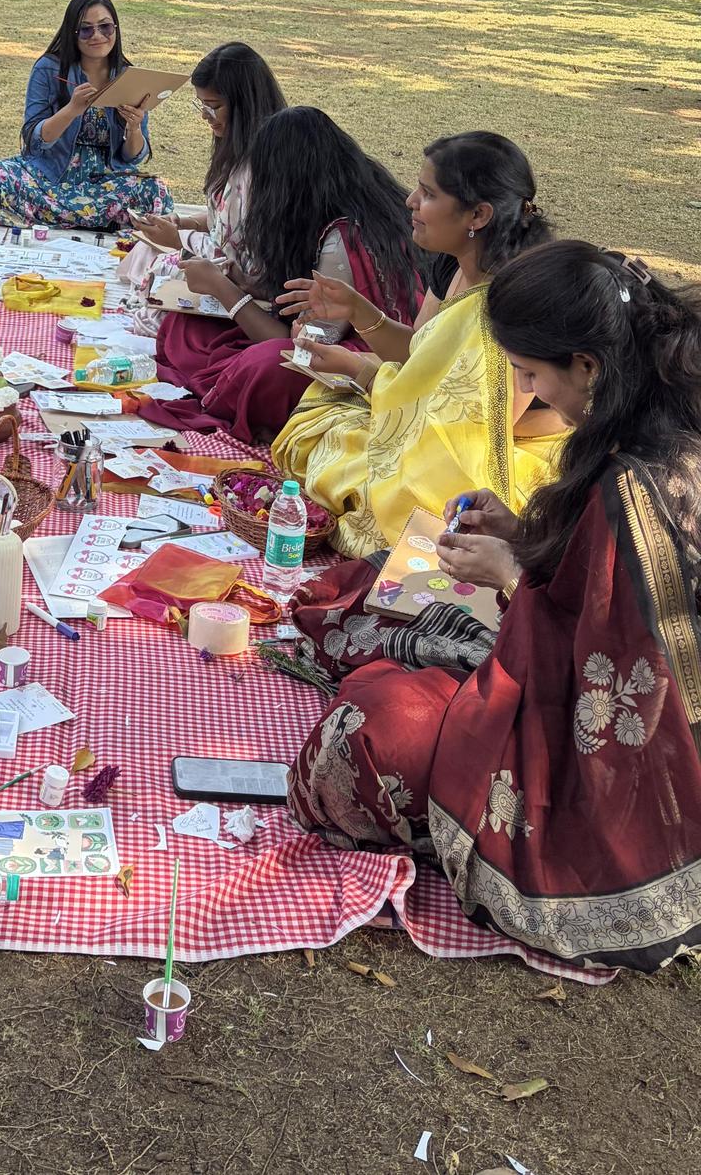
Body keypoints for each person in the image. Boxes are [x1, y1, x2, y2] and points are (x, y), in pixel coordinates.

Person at [286, 241, 701, 972]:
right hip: (562, 661)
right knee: (368, 583)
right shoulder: (640, 416)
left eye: (530, 373)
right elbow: (595, 578)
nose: (528, 390)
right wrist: (523, 531)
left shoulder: (637, 480)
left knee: (370, 740)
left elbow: (616, 677)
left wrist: (512, 574)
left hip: (622, 760)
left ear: (587, 365)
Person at [272, 131, 561, 557]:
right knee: (323, 424)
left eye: (427, 194)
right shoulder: (455, 260)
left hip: (503, 446)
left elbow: (483, 425)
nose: (409, 201)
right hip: (437, 420)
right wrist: (356, 310)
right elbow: (417, 354)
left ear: (477, 215)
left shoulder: (514, 298)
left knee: (376, 484)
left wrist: (361, 372)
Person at [143, 107, 424, 446]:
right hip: (323, 335)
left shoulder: (343, 237)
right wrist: (239, 283)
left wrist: (222, 287)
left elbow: (308, 349)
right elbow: (288, 294)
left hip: (360, 358)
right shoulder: (341, 199)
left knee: (266, 366)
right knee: (189, 324)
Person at [0, 0, 174, 229]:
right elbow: (34, 139)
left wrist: (135, 127)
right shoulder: (48, 68)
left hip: (104, 182)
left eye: (105, 27)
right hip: (49, 177)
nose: (97, 36)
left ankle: (56, 216)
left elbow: (133, 157)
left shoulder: (129, 76)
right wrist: (71, 110)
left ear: (115, 29)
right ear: (72, 34)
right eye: (86, 30)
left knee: (155, 191)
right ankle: (98, 219)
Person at [120, 41, 285, 288]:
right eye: (202, 104)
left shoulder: (259, 167)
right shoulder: (237, 147)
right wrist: (182, 223)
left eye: (214, 106)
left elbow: (240, 264)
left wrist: (178, 240)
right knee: (146, 253)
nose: (204, 115)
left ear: (245, 105)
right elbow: (223, 219)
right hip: (222, 269)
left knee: (158, 272)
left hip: (245, 286)